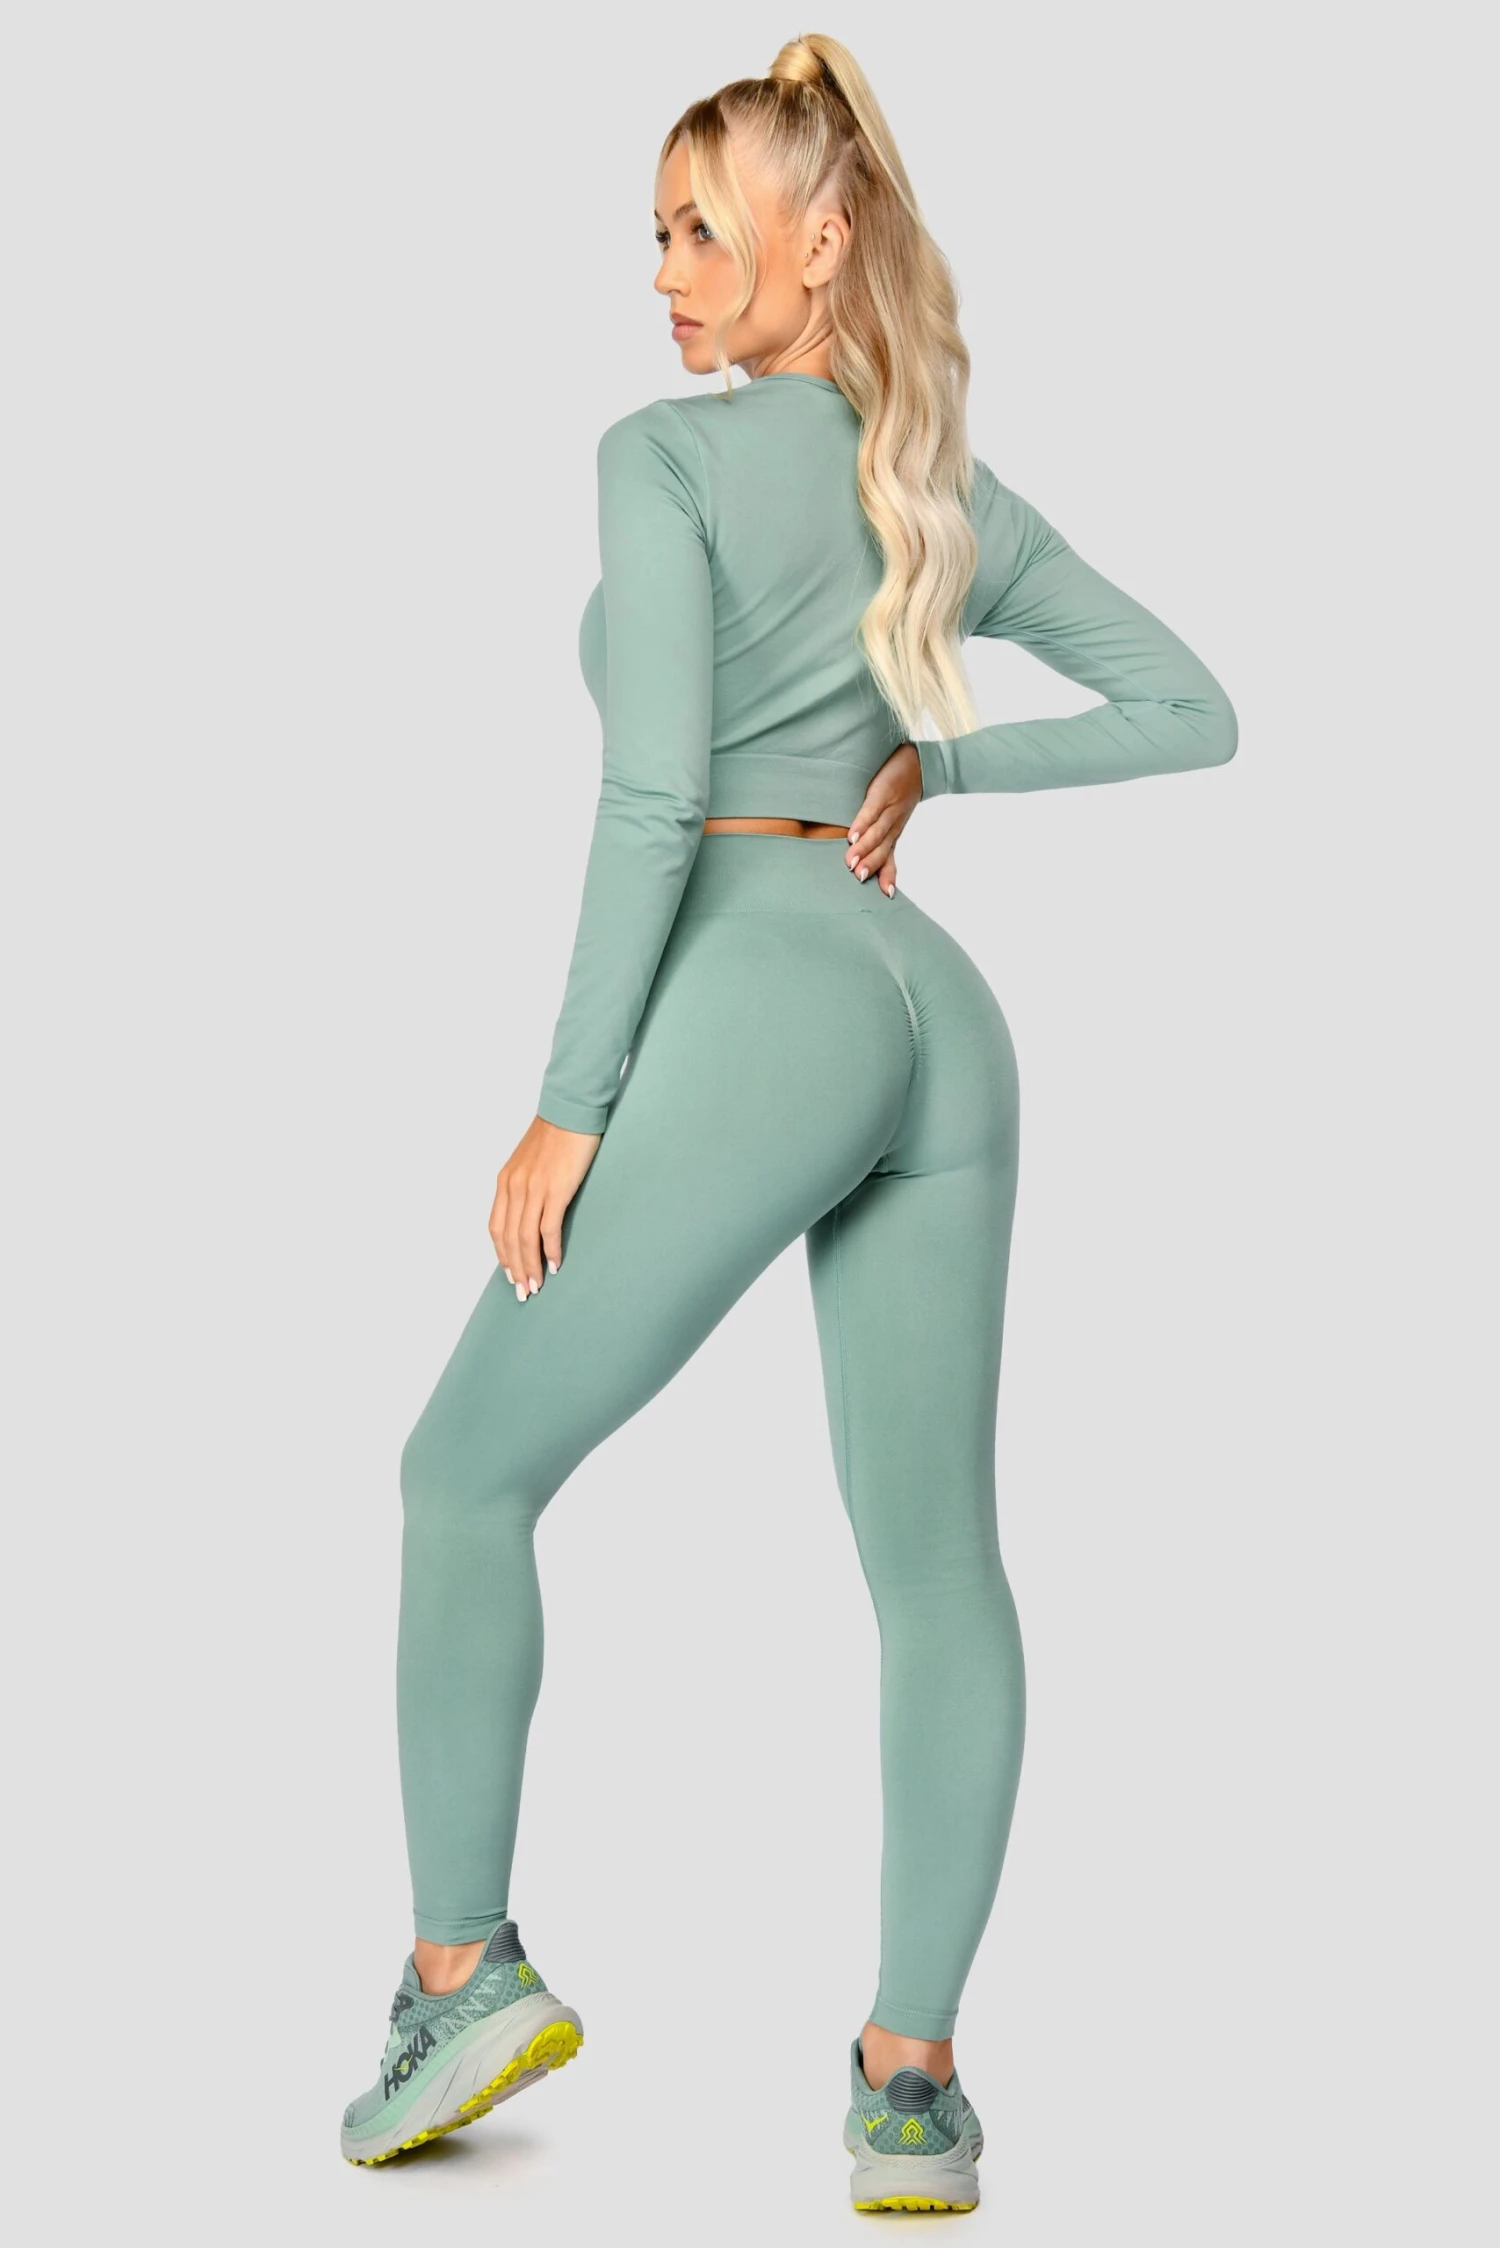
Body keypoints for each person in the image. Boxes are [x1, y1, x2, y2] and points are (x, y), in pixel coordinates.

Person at [339, 32, 1237, 2211]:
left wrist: (569, 1107)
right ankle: (911, 2084)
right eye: (652, 231)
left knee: (462, 1472)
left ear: (815, 242)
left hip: (762, 994)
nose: (660, 271)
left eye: (696, 228)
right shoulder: (937, 489)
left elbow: (656, 797)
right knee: (936, 1563)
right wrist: (942, 772)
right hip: (936, 1009)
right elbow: (1193, 708)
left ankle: (460, 1973)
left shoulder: (661, 457)